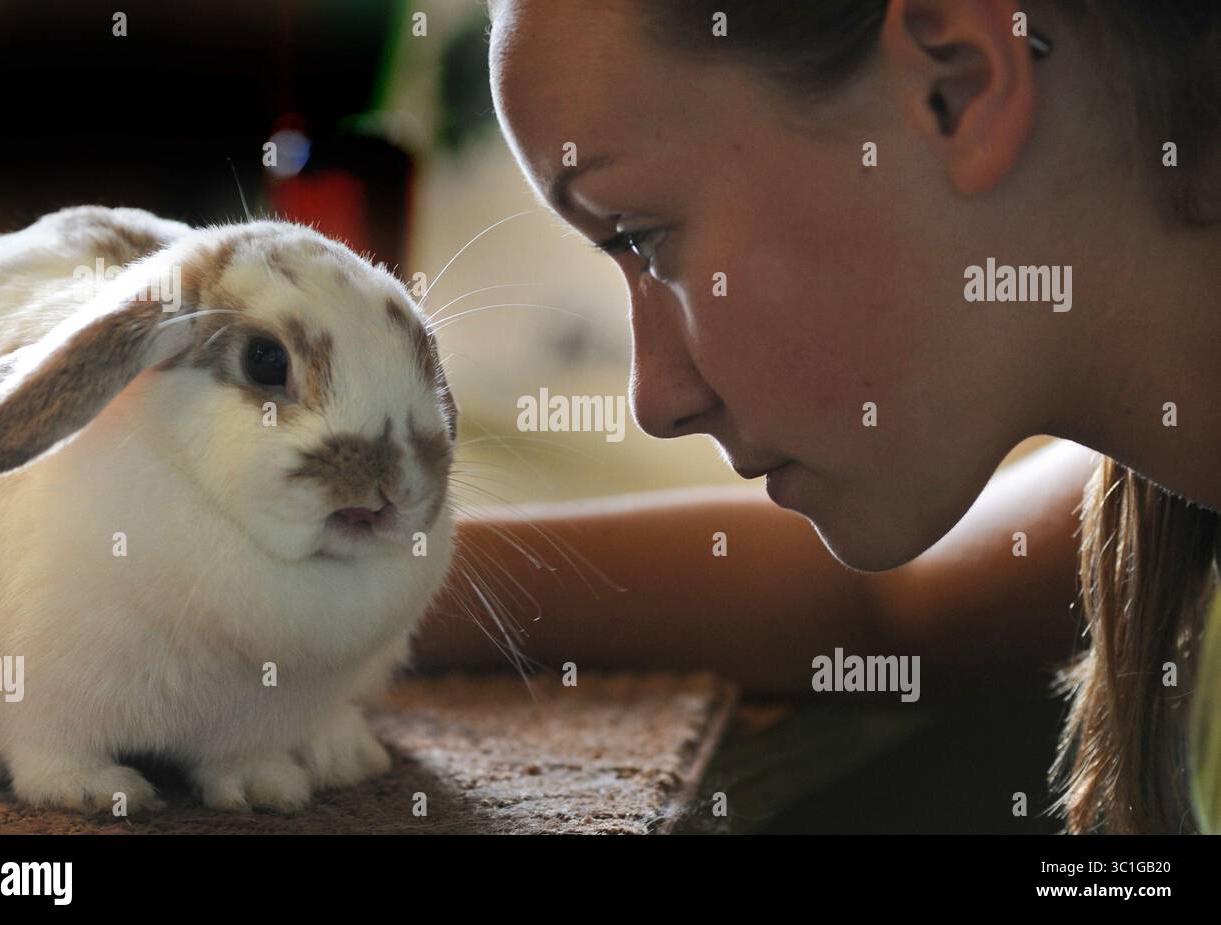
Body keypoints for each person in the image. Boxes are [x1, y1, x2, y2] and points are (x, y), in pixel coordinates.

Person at [409, 0, 1221, 834]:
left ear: (958, 88)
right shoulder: (1152, 491)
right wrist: (321, 581)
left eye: (644, 236)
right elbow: (887, 604)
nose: (656, 399)